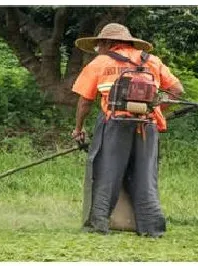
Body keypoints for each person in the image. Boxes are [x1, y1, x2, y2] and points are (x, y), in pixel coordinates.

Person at [70, 23, 184, 238]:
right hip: (147, 126)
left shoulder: (100, 63)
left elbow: (85, 102)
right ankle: (152, 229)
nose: (97, 49)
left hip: (115, 125)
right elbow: (177, 91)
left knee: (107, 174)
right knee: (145, 176)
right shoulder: (152, 61)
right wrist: (153, 109)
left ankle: (99, 224)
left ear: (106, 43)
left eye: (98, 45)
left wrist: (78, 129)